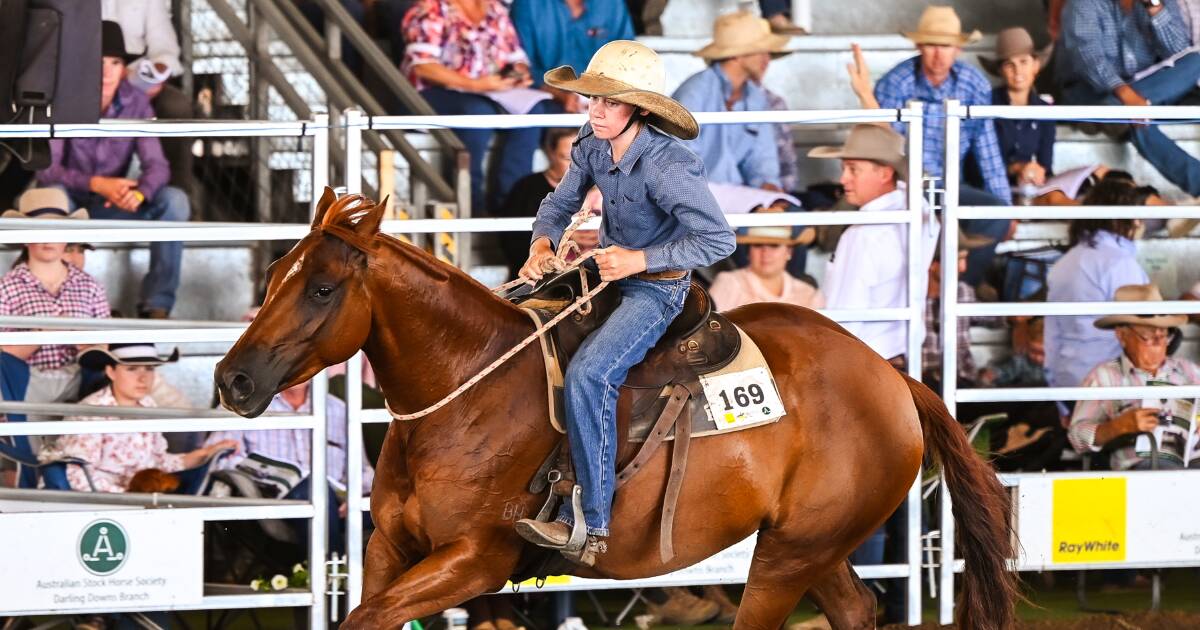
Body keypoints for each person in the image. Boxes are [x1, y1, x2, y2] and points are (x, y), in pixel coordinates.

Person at [513, 40, 735, 562]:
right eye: (592, 98)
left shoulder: (667, 163)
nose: (595, 109)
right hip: (610, 274)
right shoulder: (591, 142)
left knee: (591, 373)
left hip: (658, 288)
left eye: (609, 102)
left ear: (638, 107)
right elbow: (559, 202)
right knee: (524, 326)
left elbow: (719, 240)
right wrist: (542, 243)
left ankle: (593, 522)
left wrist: (640, 260)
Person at [848, 6, 1013, 287]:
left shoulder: (974, 84)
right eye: (932, 45)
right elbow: (887, 145)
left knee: (996, 214)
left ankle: (958, 288)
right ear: (919, 46)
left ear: (958, 49)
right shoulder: (897, 82)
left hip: (951, 184)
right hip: (906, 183)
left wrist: (1007, 207)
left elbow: (987, 149)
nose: (939, 54)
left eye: (946, 46)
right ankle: (922, 288)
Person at [36, 21, 190, 319]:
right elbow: (47, 170)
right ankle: (63, 302)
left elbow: (157, 165)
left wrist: (140, 194)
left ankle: (157, 306)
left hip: (114, 202)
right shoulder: (63, 100)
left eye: (115, 63)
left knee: (174, 200)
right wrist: (97, 183)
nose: (106, 72)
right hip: (72, 200)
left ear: (124, 68)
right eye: (98, 63)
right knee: (53, 195)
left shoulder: (137, 103)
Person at [401, 0, 564, 215]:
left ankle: (510, 205)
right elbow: (423, 66)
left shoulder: (495, 9)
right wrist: (476, 84)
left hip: (489, 92)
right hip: (433, 93)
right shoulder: (431, 9)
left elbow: (516, 56)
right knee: (477, 112)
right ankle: (470, 206)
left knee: (533, 111)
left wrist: (518, 73)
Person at [809, 124, 939, 368]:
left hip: (864, 362)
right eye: (843, 168)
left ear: (884, 174)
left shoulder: (860, 235)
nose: (843, 179)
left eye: (853, 169)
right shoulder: (918, 211)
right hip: (903, 356)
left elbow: (844, 319)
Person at [39, 344, 237, 493]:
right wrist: (130, 495)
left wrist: (204, 454)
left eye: (149, 369)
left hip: (139, 499)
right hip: (97, 505)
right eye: (131, 369)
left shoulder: (148, 406)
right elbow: (74, 474)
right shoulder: (91, 413)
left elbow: (158, 461)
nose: (143, 378)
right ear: (110, 371)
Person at [205, 377, 376, 548]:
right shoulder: (244, 406)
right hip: (274, 504)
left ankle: (338, 567)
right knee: (313, 489)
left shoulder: (338, 409)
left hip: (341, 504)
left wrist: (354, 496)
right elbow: (219, 459)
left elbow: (363, 469)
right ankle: (331, 572)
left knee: (389, 510)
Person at [1058, 0, 1200, 196]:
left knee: (1195, 61)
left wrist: (1155, 9)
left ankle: (1113, 111)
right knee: (1135, 119)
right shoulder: (1084, 3)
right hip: (1090, 91)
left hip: (1144, 91)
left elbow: (1179, 52)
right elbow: (1089, 57)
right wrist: (1127, 97)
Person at [0, 189, 110, 424]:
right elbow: (2, 355)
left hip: (82, 388)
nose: (48, 237)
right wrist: (41, 334)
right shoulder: (6, 287)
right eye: (39, 229)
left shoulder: (90, 286)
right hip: (23, 389)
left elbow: (103, 348)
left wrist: (75, 335)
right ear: (25, 236)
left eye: (56, 229)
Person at [1068, 284, 1200, 470]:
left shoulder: (1188, 370)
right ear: (1122, 336)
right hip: (1142, 469)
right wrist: (1117, 427)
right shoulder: (1106, 376)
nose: (1159, 343)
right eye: (1148, 335)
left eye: (1163, 334)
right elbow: (1077, 437)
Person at [1044, 179, 1150, 391]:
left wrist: (1058, 397)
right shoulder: (1118, 263)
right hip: (1108, 383)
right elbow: (1142, 331)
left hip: (1067, 379)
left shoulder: (1064, 263)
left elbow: (1051, 338)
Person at [672, 11, 789, 192]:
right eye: (761, 50)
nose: (767, 58)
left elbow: (762, 161)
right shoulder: (694, 93)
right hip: (693, 198)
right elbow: (679, 166)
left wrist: (769, 187)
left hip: (736, 200)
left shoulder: (756, 99)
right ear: (736, 55)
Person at [102, 0, 196, 192]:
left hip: (136, 76)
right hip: (85, 75)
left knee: (175, 106)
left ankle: (177, 193)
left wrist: (155, 76)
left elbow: (164, 48)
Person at [510, 0, 635, 112]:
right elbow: (521, 66)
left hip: (606, 99)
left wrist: (606, 96)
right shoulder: (528, 4)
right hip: (548, 98)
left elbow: (627, 58)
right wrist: (558, 94)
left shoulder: (612, 4)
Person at [976, 27, 1056, 200]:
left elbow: (1046, 165)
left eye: (1023, 62)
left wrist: (1035, 171)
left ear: (1035, 65)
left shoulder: (1045, 111)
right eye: (1009, 64)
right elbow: (974, 164)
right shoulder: (986, 104)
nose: (1017, 70)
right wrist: (1016, 168)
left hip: (1031, 186)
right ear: (1000, 71)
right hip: (990, 187)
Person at [494, 127, 578, 277]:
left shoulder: (599, 187)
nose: (575, 166)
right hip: (537, 276)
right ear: (550, 154)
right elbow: (510, 241)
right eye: (566, 158)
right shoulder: (525, 189)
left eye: (579, 158)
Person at [709, 207, 825, 311]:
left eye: (774, 245)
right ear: (749, 251)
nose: (765, 252)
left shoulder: (808, 294)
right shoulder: (729, 283)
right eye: (758, 245)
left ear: (789, 251)